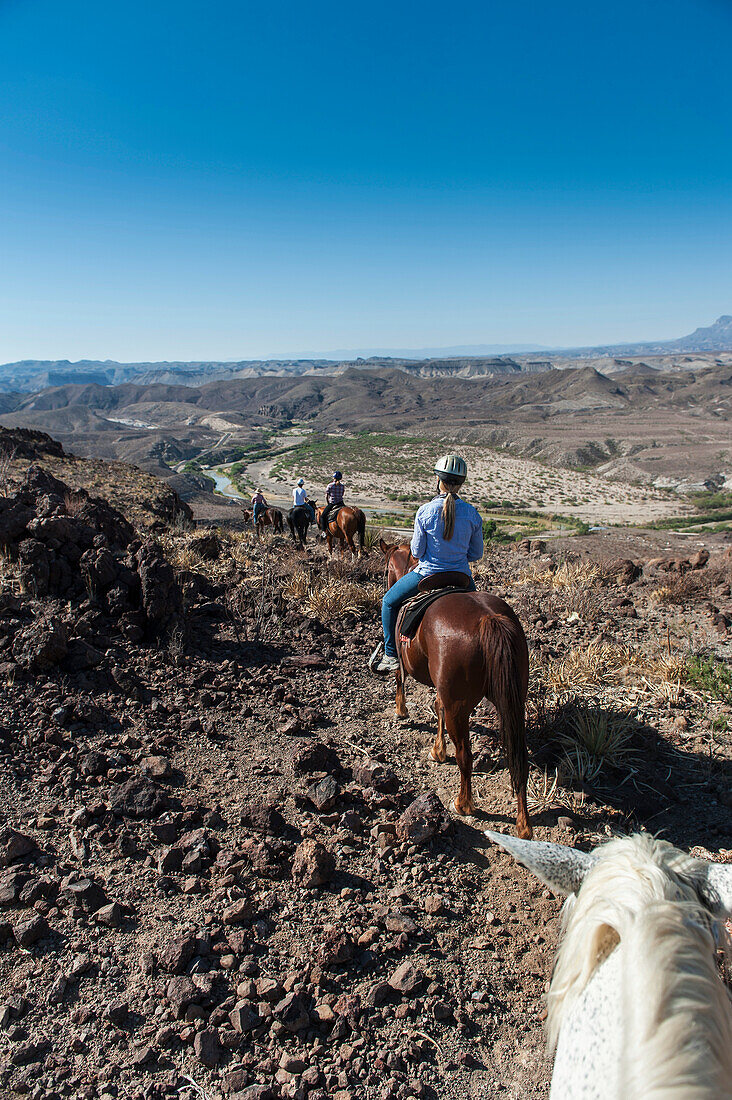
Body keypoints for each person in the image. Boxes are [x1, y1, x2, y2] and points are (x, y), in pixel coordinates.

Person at [371, 454, 483, 674]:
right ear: (461, 483)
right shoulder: (472, 513)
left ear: (438, 480)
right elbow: (476, 553)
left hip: (427, 575)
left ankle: (391, 654)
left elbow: (417, 551)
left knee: (389, 602)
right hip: (462, 577)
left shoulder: (425, 511)